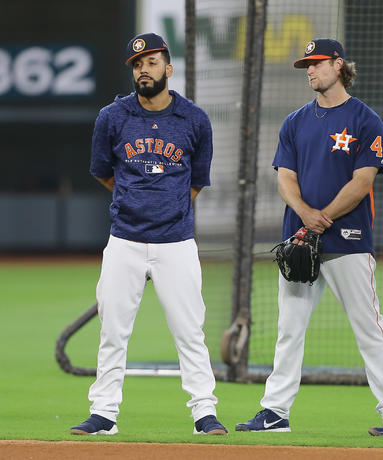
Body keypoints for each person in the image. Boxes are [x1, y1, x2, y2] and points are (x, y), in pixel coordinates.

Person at [235, 38, 383, 435]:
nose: (310, 70)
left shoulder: (365, 120)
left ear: (338, 65)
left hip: (348, 238)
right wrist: (305, 215)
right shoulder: (295, 121)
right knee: (289, 327)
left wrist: (323, 216)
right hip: (300, 238)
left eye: (316, 63)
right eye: (306, 65)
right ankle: (275, 411)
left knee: (368, 325)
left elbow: (363, 181)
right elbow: (285, 178)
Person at [70, 33, 227, 436]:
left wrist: (167, 204)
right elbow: (103, 172)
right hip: (125, 240)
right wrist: (133, 200)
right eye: (137, 64)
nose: (144, 69)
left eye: (152, 62)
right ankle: (104, 413)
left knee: (190, 331)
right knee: (113, 330)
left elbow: (196, 181)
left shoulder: (194, 119)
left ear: (168, 68)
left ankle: (204, 412)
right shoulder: (112, 117)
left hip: (176, 242)